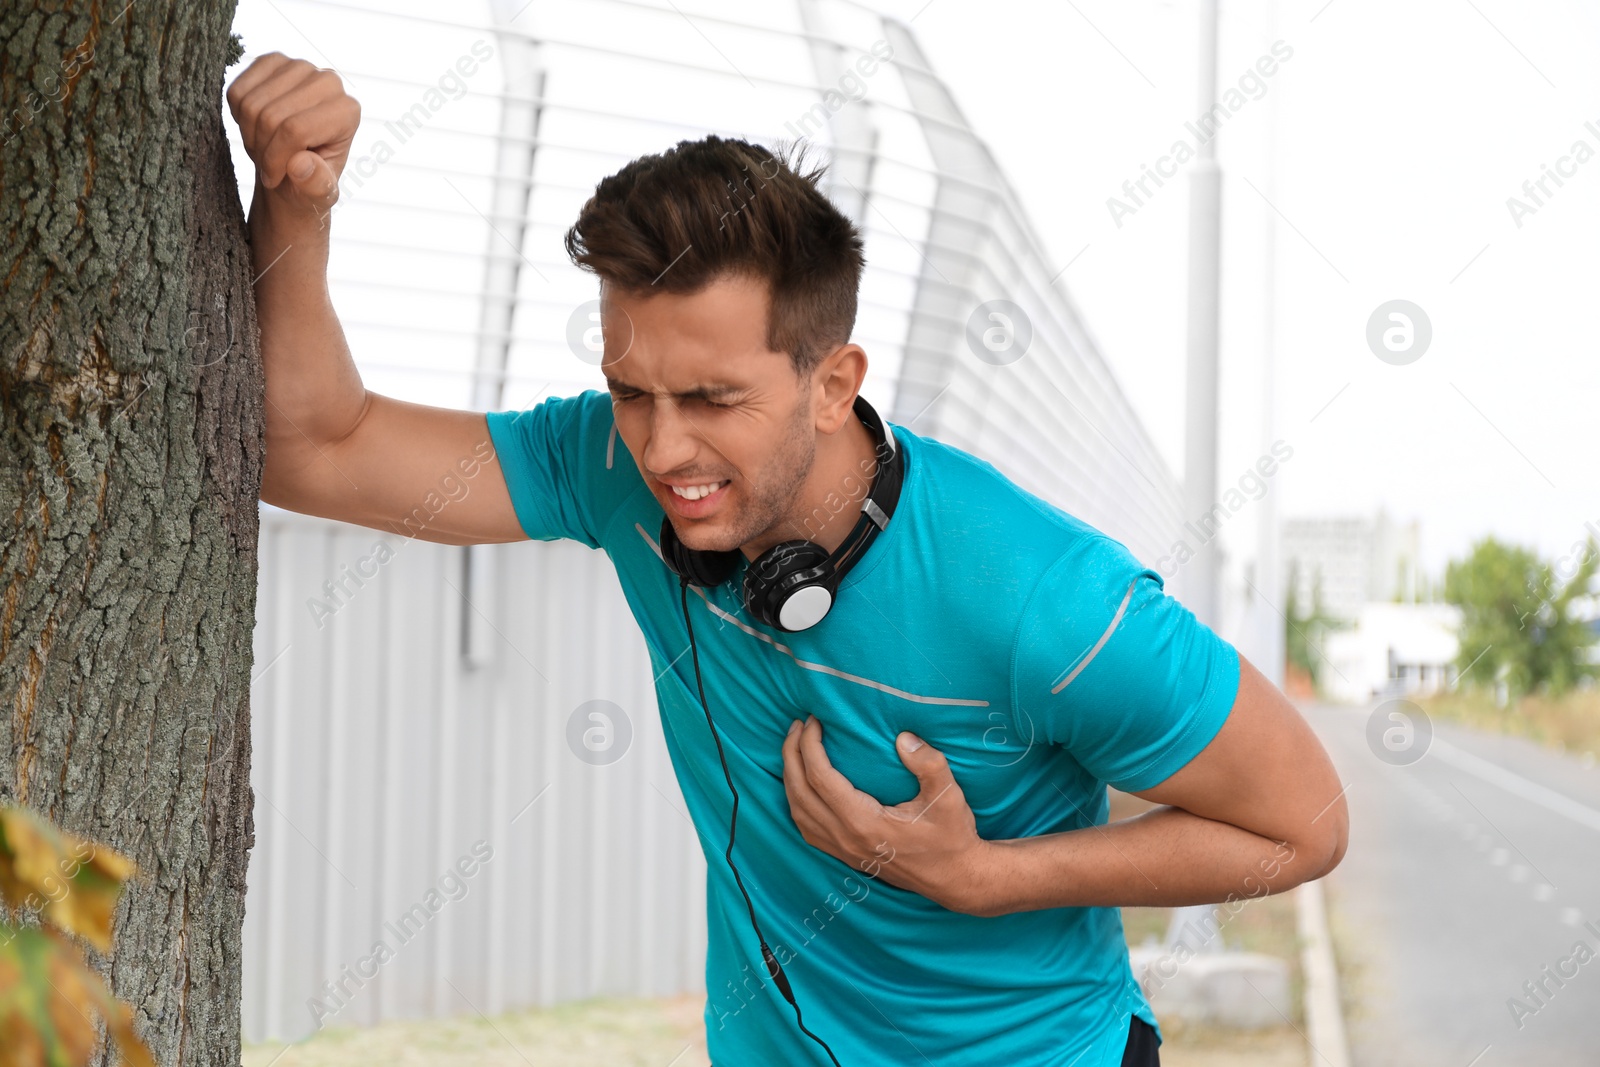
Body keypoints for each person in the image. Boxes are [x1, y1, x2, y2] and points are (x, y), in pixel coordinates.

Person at [227, 53, 1348, 1067]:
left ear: (831, 381)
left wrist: (983, 875)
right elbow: (314, 448)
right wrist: (295, 205)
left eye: (714, 399)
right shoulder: (614, 467)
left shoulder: (1040, 598)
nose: (664, 451)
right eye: (631, 391)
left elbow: (1301, 824)